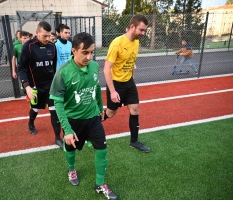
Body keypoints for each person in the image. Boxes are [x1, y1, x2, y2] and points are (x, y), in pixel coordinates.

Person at [49, 32, 117, 200]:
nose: (89, 56)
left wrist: (101, 107)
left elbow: (95, 87)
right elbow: (58, 103)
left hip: (93, 117)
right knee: (71, 148)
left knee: (102, 149)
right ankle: (71, 169)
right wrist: (67, 129)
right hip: (73, 120)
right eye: (85, 52)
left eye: (92, 52)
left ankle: (99, 183)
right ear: (74, 51)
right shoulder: (62, 73)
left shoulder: (94, 66)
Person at [102, 14, 150, 153]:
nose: (143, 33)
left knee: (135, 109)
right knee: (111, 113)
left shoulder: (136, 42)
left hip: (129, 82)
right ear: (132, 27)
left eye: (144, 30)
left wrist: (131, 79)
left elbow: (132, 62)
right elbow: (106, 69)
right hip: (116, 84)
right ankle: (91, 125)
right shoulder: (117, 43)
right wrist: (113, 91)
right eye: (141, 30)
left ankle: (134, 141)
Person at [18, 21, 63, 149]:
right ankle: (31, 123)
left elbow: (54, 67)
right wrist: (27, 87)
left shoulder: (52, 47)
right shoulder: (28, 46)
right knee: (36, 109)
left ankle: (57, 138)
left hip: (50, 87)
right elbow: (21, 68)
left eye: (49, 36)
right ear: (37, 33)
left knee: (55, 111)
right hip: (35, 88)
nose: (48, 39)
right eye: (44, 36)